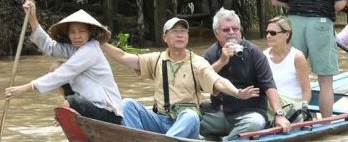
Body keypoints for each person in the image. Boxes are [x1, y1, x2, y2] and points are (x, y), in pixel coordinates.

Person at [100, 17, 258, 139]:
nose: (180, 35)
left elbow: (218, 81)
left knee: (191, 116)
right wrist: (101, 43)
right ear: (164, 38)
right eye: (175, 32)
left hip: (185, 124)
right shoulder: (156, 59)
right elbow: (123, 57)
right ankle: (137, 139)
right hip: (160, 119)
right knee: (128, 104)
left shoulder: (196, 62)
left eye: (183, 32)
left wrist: (237, 92)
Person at [4, 1, 122, 124]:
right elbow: (49, 46)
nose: (77, 36)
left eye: (81, 31)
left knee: (71, 101)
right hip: (89, 103)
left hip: (108, 112)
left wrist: (24, 88)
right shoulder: (74, 48)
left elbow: (63, 74)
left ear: (90, 32)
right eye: (73, 32)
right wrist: (32, 17)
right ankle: (70, 109)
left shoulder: (91, 50)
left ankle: (69, 108)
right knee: (56, 66)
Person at [201, 8, 291, 140]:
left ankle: (227, 139)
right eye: (226, 30)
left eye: (235, 29)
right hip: (220, 115)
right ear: (216, 34)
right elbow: (200, 83)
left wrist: (279, 114)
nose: (231, 33)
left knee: (255, 124)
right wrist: (222, 61)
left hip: (249, 115)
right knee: (193, 120)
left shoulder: (254, 52)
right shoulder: (211, 54)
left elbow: (269, 85)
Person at [263, 15, 312, 118]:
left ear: (286, 34)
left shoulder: (297, 57)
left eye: (273, 33)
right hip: (271, 102)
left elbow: (306, 91)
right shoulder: (263, 56)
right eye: (267, 32)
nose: (268, 36)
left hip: (291, 105)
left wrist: (302, 108)